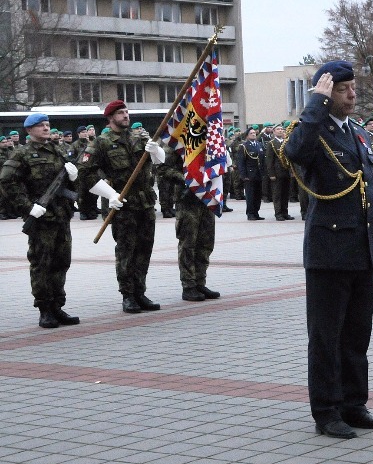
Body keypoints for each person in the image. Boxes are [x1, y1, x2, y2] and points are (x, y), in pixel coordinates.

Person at [283, 61, 373, 440]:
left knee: (357, 333)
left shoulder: (357, 134)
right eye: (343, 89)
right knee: (326, 336)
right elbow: (295, 151)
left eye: (353, 87)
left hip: (361, 248)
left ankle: (354, 404)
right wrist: (315, 104)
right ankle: (326, 411)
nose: (352, 94)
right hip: (329, 251)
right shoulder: (314, 132)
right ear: (327, 94)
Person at [78, 100, 164, 314]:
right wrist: (110, 195)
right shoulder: (101, 142)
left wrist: (155, 150)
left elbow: (160, 162)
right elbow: (85, 174)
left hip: (145, 202)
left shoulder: (140, 136)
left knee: (145, 249)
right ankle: (128, 295)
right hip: (122, 205)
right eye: (120, 113)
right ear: (110, 118)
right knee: (126, 251)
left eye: (126, 112)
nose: (126, 115)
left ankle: (140, 292)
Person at [0, 113, 80, 328]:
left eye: (47, 125)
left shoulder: (59, 150)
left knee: (62, 262)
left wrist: (74, 178)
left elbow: (71, 186)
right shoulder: (22, 154)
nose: (46, 128)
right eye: (40, 125)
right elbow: (7, 181)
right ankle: (45, 309)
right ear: (29, 130)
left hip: (62, 216)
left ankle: (57, 305)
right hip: (41, 218)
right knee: (41, 264)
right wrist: (27, 207)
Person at [162, 148, 221, 302]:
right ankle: (188, 285)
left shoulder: (208, 142)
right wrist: (188, 180)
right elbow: (163, 169)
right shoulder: (178, 143)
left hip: (207, 198)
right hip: (187, 200)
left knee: (206, 243)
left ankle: (200, 282)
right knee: (188, 244)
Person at [265, 124, 295, 220]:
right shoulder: (272, 143)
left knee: (286, 194)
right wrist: (271, 174)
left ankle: (285, 212)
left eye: (282, 129)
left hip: (286, 171)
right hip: (277, 173)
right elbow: (269, 160)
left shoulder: (286, 143)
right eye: (278, 129)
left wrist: (292, 171)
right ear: (274, 132)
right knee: (277, 194)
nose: (280, 131)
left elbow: (289, 158)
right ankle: (278, 213)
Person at [237, 128, 266, 220]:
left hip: (259, 174)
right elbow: (241, 162)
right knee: (250, 195)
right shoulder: (244, 146)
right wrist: (243, 175)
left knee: (258, 195)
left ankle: (256, 212)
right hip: (249, 175)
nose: (254, 134)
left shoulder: (259, 145)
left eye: (254, 133)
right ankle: (250, 213)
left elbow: (262, 161)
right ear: (247, 135)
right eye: (251, 133)